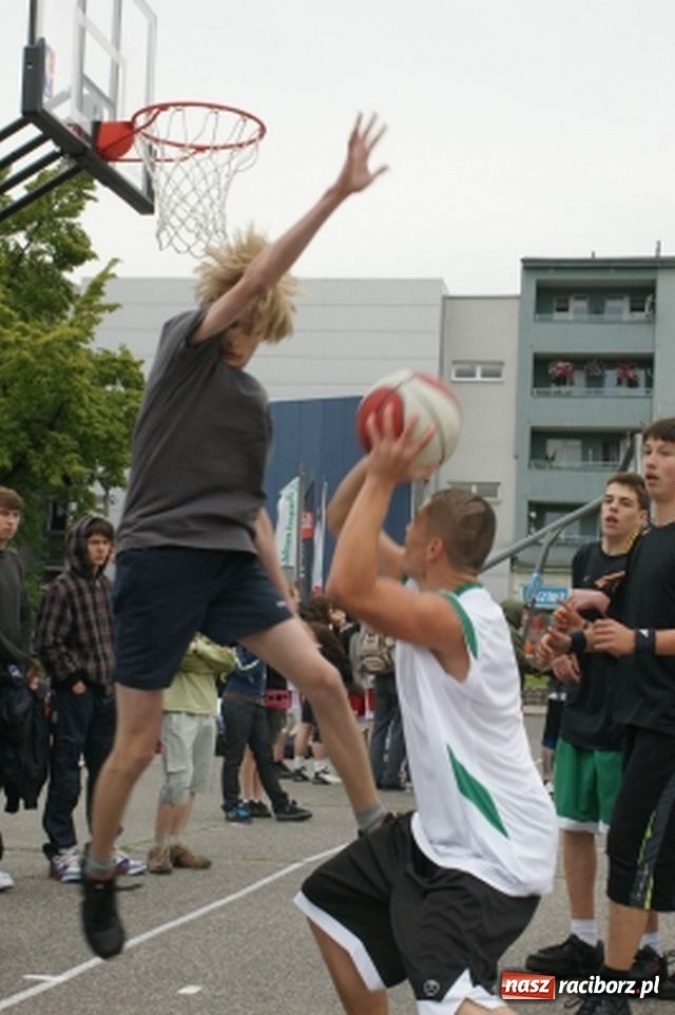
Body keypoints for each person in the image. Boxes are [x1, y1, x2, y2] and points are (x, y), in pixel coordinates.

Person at [81, 114, 388, 960]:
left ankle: (371, 837)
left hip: (228, 564)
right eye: (251, 317)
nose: (251, 337)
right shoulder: (186, 345)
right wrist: (334, 193)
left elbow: (252, 504)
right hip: (158, 556)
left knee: (323, 676)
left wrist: (281, 589)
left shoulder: (250, 400)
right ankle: (102, 868)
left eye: (262, 329)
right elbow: (257, 274)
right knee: (137, 744)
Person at [295, 409, 558, 1015]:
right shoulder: (428, 590)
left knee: (447, 1001)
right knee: (329, 908)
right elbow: (342, 520)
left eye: (411, 527)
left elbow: (345, 587)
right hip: (438, 837)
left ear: (433, 546)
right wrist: (378, 455)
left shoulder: (456, 617)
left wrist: (388, 477)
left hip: (493, 850)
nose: (400, 532)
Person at [542, 419, 675, 1014]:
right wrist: (568, 646)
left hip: (669, 723)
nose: (652, 460)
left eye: (666, 453)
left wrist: (642, 640)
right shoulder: (648, 546)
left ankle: (615, 991)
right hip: (639, 717)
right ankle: (625, 975)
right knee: (637, 851)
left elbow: (636, 637)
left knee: (630, 848)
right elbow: (613, 634)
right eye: (648, 451)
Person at [525, 473, 650, 979]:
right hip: (581, 706)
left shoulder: (647, 562)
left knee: (628, 839)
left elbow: (625, 635)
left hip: (626, 712)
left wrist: (585, 636)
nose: (612, 510)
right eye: (608, 502)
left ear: (643, 516)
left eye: (624, 503)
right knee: (573, 827)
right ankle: (582, 940)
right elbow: (572, 633)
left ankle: (647, 950)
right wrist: (558, 651)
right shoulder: (584, 560)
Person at [35, 515, 146, 883]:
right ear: (80, 545)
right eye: (94, 542)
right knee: (67, 772)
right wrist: (73, 680)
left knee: (106, 774)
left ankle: (104, 847)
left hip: (106, 692)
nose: (100, 549)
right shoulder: (62, 588)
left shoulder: (105, 589)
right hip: (76, 695)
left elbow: (114, 639)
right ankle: (62, 850)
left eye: (105, 543)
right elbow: (48, 641)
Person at [147, 633, 235, 874]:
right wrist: (207, 658)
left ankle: (177, 841)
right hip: (177, 706)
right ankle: (159, 846)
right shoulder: (173, 620)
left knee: (196, 780)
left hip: (206, 707)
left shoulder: (211, 626)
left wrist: (199, 650)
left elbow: (229, 661)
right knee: (176, 779)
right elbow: (173, 656)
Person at [220, 645, 312, 823]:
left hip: (257, 701)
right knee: (235, 754)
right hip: (238, 700)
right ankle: (231, 803)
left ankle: (280, 803)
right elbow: (241, 668)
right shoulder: (242, 644)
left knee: (265, 755)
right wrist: (264, 654)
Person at [0, 487, 35, 891]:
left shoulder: (14, 562)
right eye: (5, 514)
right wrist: (13, 657)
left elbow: (26, 614)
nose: (10, 521)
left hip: (10, 677)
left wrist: (25, 657)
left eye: (15, 515)